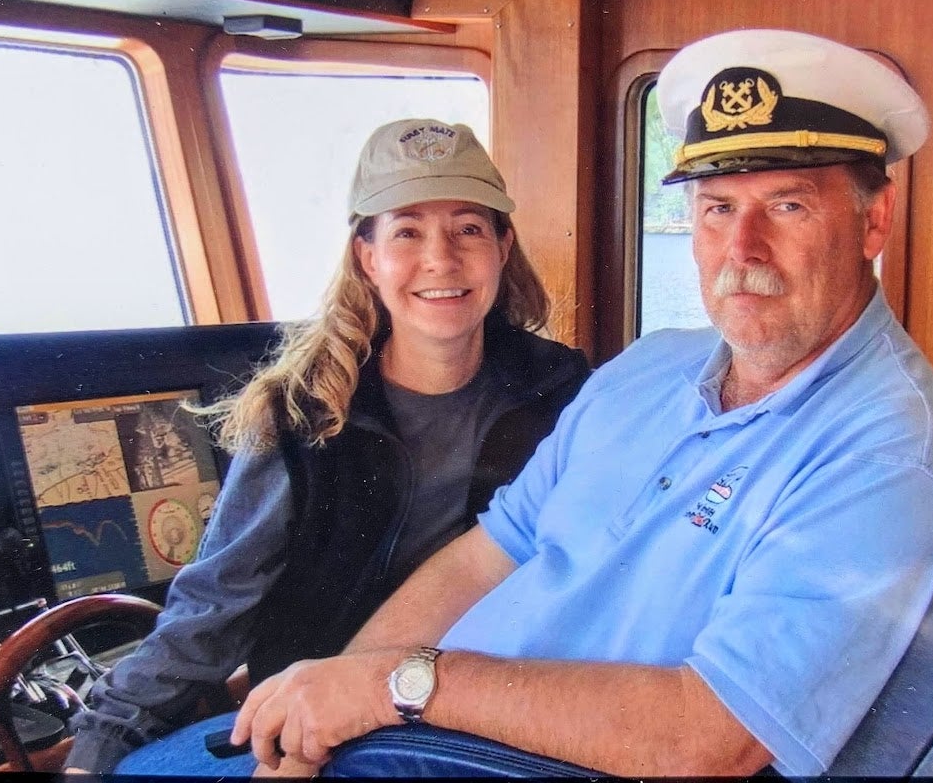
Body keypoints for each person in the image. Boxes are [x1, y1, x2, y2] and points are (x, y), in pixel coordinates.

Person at [229, 30, 933, 777]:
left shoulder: (890, 455)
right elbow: (489, 552)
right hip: (408, 734)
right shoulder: (651, 367)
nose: (742, 249)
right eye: (717, 208)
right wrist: (321, 727)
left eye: (787, 207)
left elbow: (708, 739)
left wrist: (392, 687)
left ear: (874, 220)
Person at [62, 118, 591, 775]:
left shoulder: (569, 394)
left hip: (485, 721)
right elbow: (213, 607)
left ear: (503, 246)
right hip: (312, 727)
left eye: (468, 228)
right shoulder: (302, 415)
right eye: (406, 231)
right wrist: (100, 744)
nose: (441, 258)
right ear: (367, 257)